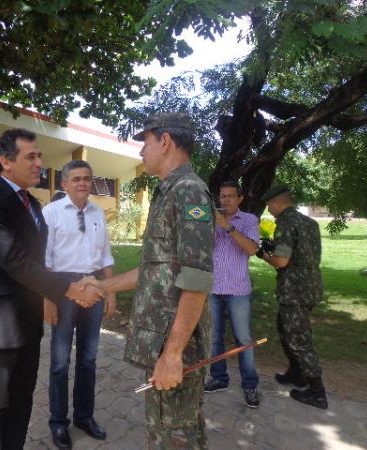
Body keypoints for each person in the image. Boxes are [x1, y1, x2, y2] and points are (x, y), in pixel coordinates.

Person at [0, 128, 104, 450]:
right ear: (5, 162)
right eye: (31, 156)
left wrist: (53, 294)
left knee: (22, 400)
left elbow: (38, 263)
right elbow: (16, 261)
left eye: (39, 156)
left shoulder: (33, 205)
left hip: (27, 322)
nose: (40, 163)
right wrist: (70, 289)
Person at [98, 113, 215, 449]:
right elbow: (156, 269)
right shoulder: (168, 192)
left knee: (175, 434)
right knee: (171, 427)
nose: (140, 152)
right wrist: (104, 286)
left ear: (165, 142)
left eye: (144, 142)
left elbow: (196, 279)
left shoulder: (189, 193)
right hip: (161, 341)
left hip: (175, 344)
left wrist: (174, 354)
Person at [42, 160, 116, 449]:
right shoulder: (51, 212)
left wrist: (110, 291)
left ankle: (84, 416)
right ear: (64, 184)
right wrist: (48, 298)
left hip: (95, 286)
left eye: (87, 178)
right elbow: (44, 260)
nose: (83, 183)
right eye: (76, 179)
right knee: (60, 361)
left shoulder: (98, 213)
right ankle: (58, 423)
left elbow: (106, 254)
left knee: (89, 358)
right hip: (63, 289)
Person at [257, 185, 328, 409]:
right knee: (284, 327)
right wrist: (276, 248)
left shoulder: (286, 223)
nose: (269, 210)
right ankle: (296, 374)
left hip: (295, 291)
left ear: (278, 203)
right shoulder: (309, 222)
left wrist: (263, 254)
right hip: (311, 287)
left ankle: (317, 393)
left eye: (269, 205)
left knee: (298, 340)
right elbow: (301, 253)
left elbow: (281, 262)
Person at [203, 180, 260, 408]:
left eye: (230, 196)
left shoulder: (249, 220)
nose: (225, 200)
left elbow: (252, 249)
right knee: (215, 337)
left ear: (240, 198)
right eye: (222, 196)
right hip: (214, 289)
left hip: (238, 290)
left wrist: (226, 225)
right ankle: (219, 378)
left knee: (243, 339)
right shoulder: (211, 219)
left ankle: (250, 385)